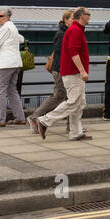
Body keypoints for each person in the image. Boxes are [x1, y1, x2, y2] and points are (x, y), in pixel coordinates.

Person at [31, 8, 92, 141]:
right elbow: (73, 53)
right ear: (82, 16)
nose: (90, 17)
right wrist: (82, 71)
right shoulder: (75, 30)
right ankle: (44, 121)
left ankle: (76, 132)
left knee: (80, 103)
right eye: (88, 15)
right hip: (73, 73)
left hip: (72, 72)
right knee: (73, 102)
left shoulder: (76, 29)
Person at [32, 10, 73, 136]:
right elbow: (60, 52)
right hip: (61, 70)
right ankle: (36, 118)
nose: (74, 21)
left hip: (64, 69)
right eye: (72, 18)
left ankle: (72, 126)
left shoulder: (67, 32)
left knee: (70, 98)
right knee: (61, 97)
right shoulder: (62, 33)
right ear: (65, 20)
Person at [0, 7, 26, 126]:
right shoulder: (13, 26)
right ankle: (20, 117)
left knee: (0, 91)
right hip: (16, 63)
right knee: (12, 90)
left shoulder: (5, 28)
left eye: (1, 16)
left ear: (7, 17)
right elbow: (21, 39)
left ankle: (1, 120)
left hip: (5, 64)